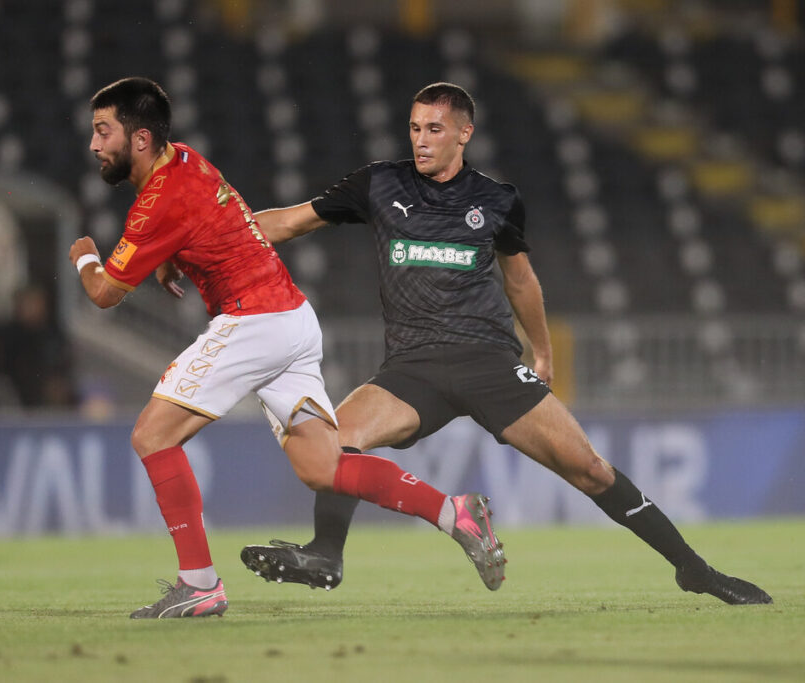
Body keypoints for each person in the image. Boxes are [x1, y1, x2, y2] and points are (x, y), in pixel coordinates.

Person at [240, 82, 772, 606]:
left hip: (487, 362)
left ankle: (693, 570)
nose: (420, 140)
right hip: (412, 369)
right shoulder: (379, 184)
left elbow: (521, 281)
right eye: (414, 128)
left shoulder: (496, 200)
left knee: (589, 469)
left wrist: (543, 353)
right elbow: (288, 222)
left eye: (434, 129)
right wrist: (213, 239)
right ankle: (326, 555)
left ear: (464, 134)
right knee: (335, 443)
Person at [70, 77, 507, 619]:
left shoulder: (157, 201)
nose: (94, 145)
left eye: (102, 131)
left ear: (138, 139)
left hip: (254, 320)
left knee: (152, 435)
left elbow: (105, 294)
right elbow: (209, 219)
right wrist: (169, 257)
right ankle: (455, 512)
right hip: (293, 320)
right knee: (324, 468)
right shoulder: (184, 159)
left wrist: (85, 256)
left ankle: (199, 583)